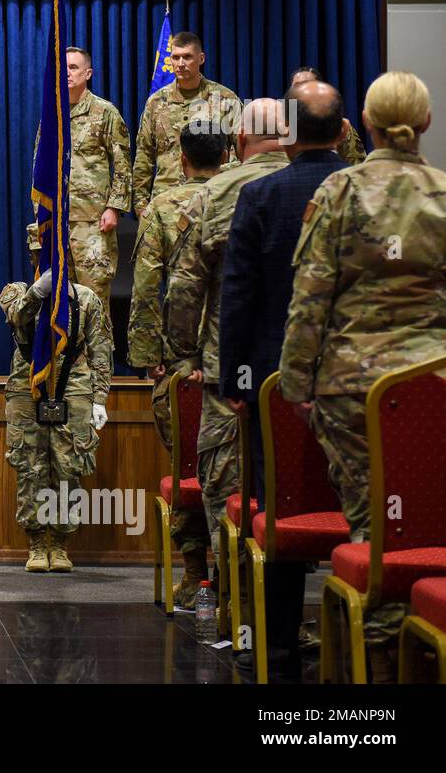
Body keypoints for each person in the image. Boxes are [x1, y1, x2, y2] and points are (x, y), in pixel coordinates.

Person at [279, 70, 446, 679]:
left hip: (354, 391)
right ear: (424, 123)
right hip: (434, 390)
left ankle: (377, 673)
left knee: (376, 525)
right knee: (429, 524)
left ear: (367, 126)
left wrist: (295, 386)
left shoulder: (339, 192)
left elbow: (310, 299)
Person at [219, 80, 349, 670]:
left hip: (275, 383)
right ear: (345, 131)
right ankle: (358, 639)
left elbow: (239, 298)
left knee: (282, 505)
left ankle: (276, 639)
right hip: (360, 383)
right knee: (361, 505)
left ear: (288, 136)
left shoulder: (262, 195)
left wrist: (239, 384)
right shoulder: (362, 194)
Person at [165, 99, 289, 589]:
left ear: (239, 143)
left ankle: (235, 603)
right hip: (309, 377)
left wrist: (185, 354)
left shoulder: (213, 194)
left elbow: (183, 287)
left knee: (225, 488)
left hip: (226, 372)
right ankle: (290, 607)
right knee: (297, 491)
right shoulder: (325, 186)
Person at [126, 123, 226, 606]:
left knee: (188, 463)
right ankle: (236, 575)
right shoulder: (242, 196)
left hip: (181, 362)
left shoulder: (163, 207)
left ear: (181, 160)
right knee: (239, 470)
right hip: (234, 358)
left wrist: (150, 360)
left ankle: (193, 574)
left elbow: (146, 288)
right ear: (228, 154)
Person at [1, 224, 111, 573]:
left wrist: (99, 399)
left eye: (49, 254)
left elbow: (101, 351)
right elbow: (16, 316)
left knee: (68, 466)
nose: (42, 258)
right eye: (37, 253)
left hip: (74, 388)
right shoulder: (16, 291)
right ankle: (36, 542)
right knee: (30, 466)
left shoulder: (86, 298)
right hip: (27, 389)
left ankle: (60, 543)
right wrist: (38, 293)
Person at [32, 47, 131, 336]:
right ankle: (69, 376)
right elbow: (39, 165)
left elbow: (124, 164)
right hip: (57, 223)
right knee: (60, 305)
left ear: (88, 73)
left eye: (74, 67)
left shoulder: (105, 112)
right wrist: (40, 213)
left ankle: (99, 378)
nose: (67, 73)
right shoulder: (52, 115)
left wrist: (115, 207)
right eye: (63, 69)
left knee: (94, 303)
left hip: (92, 225)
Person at [132, 32, 240, 218]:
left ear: (201, 58)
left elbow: (243, 152)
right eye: (175, 57)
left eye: (187, 57)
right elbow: (144, 156)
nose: (181, 63)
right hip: (166, 204)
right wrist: (141, 205)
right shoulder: (156, 102)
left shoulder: (225, 99)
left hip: (211, 201)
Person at [288, 67, 366, 165]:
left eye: (307, 85)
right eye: (297, 86)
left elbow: (357, 166)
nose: (303, 90)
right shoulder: (282, 125)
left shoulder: (338, 126)